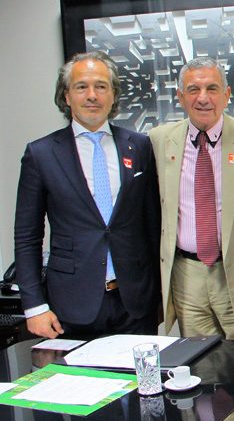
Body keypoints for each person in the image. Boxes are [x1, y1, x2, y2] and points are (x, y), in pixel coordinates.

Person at [14, 51, 160, 339]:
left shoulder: (140, 146)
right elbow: (27, 236)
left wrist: (158, 295)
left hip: (134, 303)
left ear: (113, 95)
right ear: (66, 96)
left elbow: (152, 225)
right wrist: (34, 307)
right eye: (82, 86)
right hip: (71, 305)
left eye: (101, 86)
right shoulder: (41, 154)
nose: (92, 95)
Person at [149, 57, 234, 344]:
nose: (203, 98)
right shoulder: (159, 140)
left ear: (227, 95)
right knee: (199, 361)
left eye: (212, 89)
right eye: (193, 89)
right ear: (180, 96)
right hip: (186, 275)